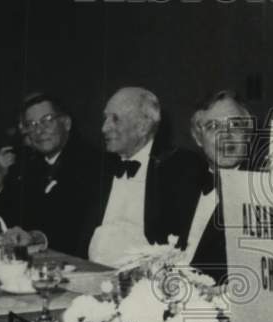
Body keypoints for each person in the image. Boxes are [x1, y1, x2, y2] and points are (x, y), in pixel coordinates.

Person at [85, 86, 202, 267]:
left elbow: (179, 244)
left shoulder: (179, 168)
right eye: (105, 118)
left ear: (142, 126)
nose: (104, 128)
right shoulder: (98, 166)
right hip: (88, 270)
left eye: (115, 119)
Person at [0, 92, 102, 257]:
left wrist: (36, 237)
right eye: (31, 124)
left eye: (47, 120)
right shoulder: (29, 163)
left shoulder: (92, 163)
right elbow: (4, 211)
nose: (39, 130)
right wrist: (0, 174)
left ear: (66, 123)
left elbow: (76, 226)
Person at [181, 90, 255, 281]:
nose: (226, 135)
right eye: (213, 126)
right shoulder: (182, 185)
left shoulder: (261, 195)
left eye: (235, 125)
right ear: (198, 138)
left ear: (248, 135)